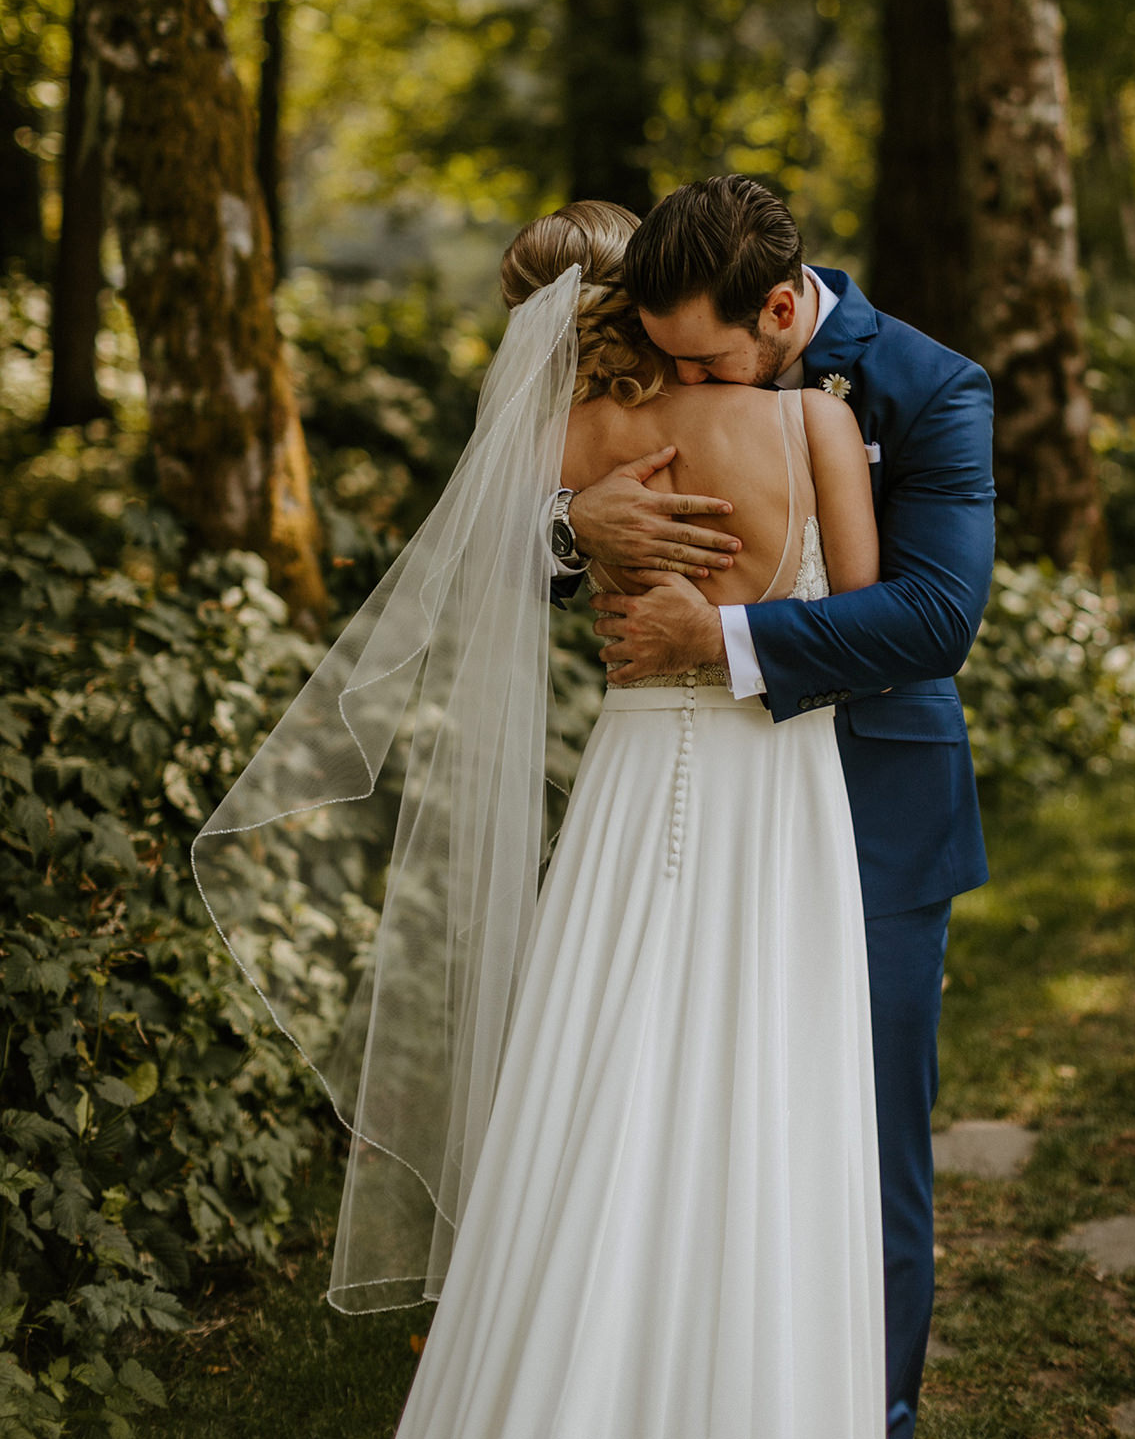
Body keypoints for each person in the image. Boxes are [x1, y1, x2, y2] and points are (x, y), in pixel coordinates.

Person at [193, 200, 887, 1439]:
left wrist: (574, 518)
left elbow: (471, 569)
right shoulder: (817, 424)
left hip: (631, 791)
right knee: (768, 1077)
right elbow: (862, 635)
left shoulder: (570, 438)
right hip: (779, 791)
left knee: (600, 1067)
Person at [575, 175, 995, 1439]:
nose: (685, 387)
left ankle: (875, 1411)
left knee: (866, 1150)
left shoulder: (929, 387)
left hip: (870, 819)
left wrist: (721, 636)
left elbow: (934, 617)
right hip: (699, 813)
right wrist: (574, 529)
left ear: (774, 310)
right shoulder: (671, 355)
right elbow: (559, 502)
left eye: (703, 361)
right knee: (681, 1112)